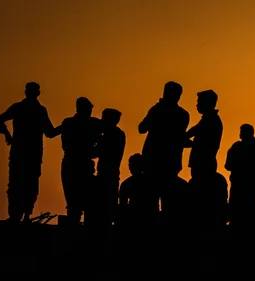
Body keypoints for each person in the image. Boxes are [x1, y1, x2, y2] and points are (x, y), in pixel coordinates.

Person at [0, 81, 57, 222]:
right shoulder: (38, 110)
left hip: (22, 153)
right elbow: (50, 132)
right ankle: (23, 215)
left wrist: (7, 134)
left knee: (19, 184)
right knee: (28, 184)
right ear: (38, 93)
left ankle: (19, 216)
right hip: (29, 154)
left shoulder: (20, 108)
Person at [138, 81, 190, 213]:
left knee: (151, 201)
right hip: (171, 162)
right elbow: (179, 138)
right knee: (169, 202)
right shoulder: (183, 114)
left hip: (153, 162)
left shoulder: (157, 110)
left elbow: (142, 128)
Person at [56, 97, 102, 226]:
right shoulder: (94, 123)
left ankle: (73, 229)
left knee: (72, 201)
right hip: (83, 164)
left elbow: (52, 133)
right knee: (85, 200)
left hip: (71, 163)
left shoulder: (68, 123)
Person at [94, 108, 126, 226]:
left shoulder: (110, 135)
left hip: (106, 173)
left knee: (103, 203)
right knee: (109, 202)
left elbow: (96, 152)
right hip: (112, 173)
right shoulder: (118, 134)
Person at [225, 124, 255, 226]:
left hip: (245, 184)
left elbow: (228, 165)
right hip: (242, 184)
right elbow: (228, 165)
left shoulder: (239, 147)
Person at [185, 89, 223, 180]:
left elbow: (204, 144)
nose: (197, 105)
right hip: (202, 162)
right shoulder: (207, 119)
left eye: (199, 102)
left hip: (204, 163)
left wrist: (185, 141)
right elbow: (193, 131)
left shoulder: (211, 121)